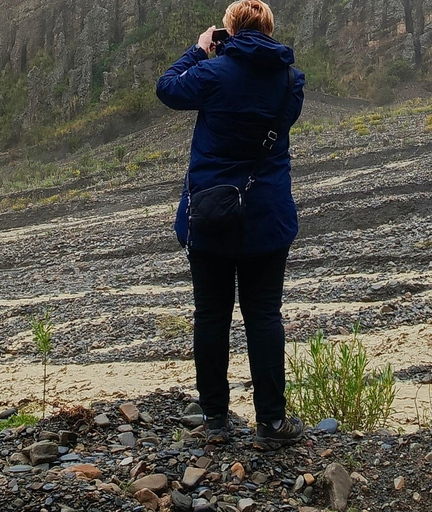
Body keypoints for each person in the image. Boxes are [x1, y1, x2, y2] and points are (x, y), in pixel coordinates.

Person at [156, 0, 305, 447]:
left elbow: (167, 89)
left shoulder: (213, 73)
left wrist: (199, 51)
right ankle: (272, 423)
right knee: (263, 316)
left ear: (230, 31)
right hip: (267, 214)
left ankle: (216, 422)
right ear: (269, 29)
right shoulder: (290, 81)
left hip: (211, 214)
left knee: (211, 316)